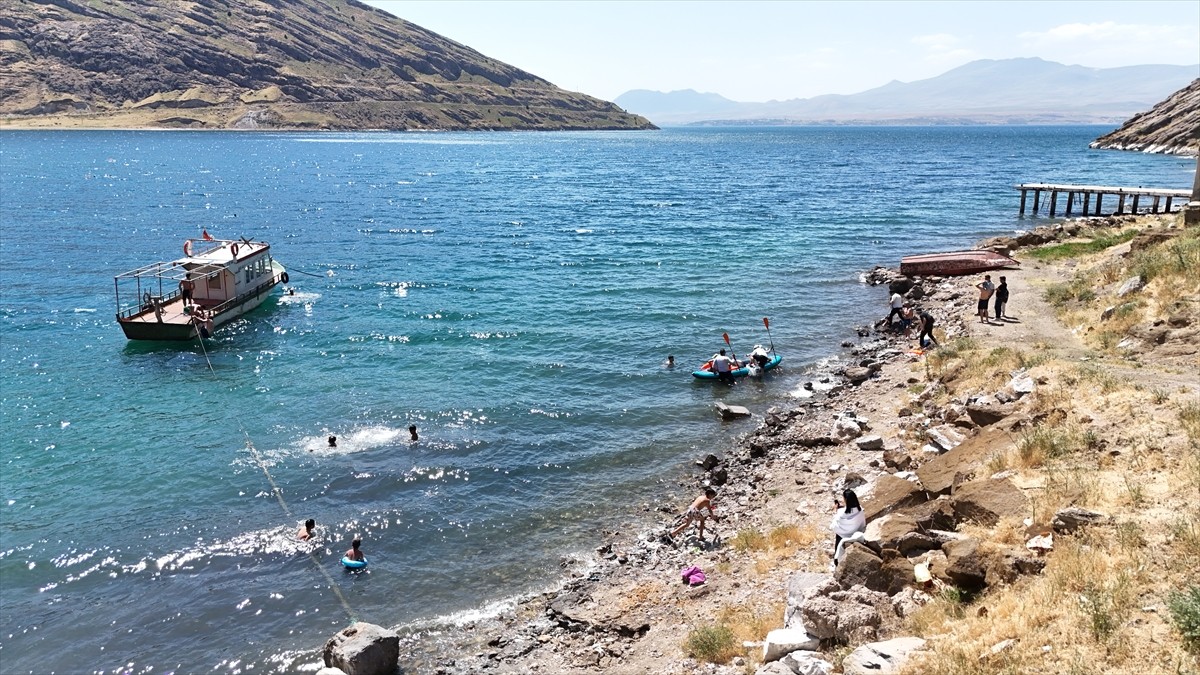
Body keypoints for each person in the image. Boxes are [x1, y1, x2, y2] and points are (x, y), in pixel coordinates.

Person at [830, 489, 866, 568]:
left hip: (844, 537)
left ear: (846, 500)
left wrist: (835, 510)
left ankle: (836, 562)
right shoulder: (860, 510)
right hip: (856, 533)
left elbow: (835, 525)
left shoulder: (841, 514)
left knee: (839, 534)